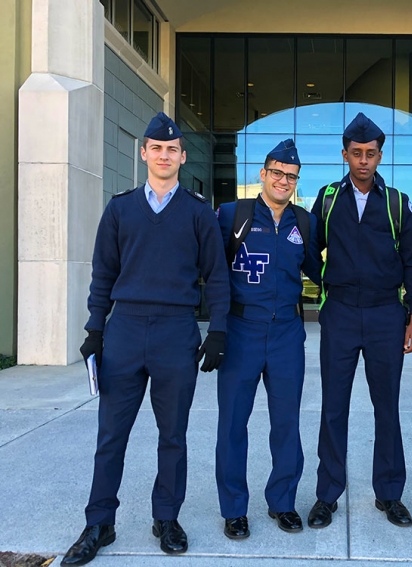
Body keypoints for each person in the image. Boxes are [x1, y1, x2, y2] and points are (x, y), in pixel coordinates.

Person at [62, 112, 230, 566]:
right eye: (156, 148)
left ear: (182, 156)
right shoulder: (119, 209)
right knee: (111, 434)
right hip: (126, 329)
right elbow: (103, 275)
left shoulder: (198, 212)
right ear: (144, 153)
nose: (163, 155)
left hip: (176, 331)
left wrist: (217, 330)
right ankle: (100, 521)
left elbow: (216, 278)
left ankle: (166, 517)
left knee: (172, 434)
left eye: (171, 149)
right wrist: (95, 329)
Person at [307, 112, 412, 529]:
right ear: (344, 154)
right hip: (339, 313)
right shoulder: (327, 198)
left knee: (386, 408)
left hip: (383, 315)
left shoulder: (396, 202)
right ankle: (327, 495)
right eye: (356, 154)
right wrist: (325, 282)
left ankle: (389, 493)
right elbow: (309, 248)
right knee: (333, 408)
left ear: (379, 156)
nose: (363, 161)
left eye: (370, 154)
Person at [214, 139, 322, 539]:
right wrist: (216, 329)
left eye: (290, 176)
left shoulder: (304, 223)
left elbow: (323, 272)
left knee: (287, 423)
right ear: (262, 174)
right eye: (276, 173)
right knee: (232, 424)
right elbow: (210, 267)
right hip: (242, 331)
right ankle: (234, 509)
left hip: (287, 336)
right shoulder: (231, 215)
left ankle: (283, 502)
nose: (283, 181)